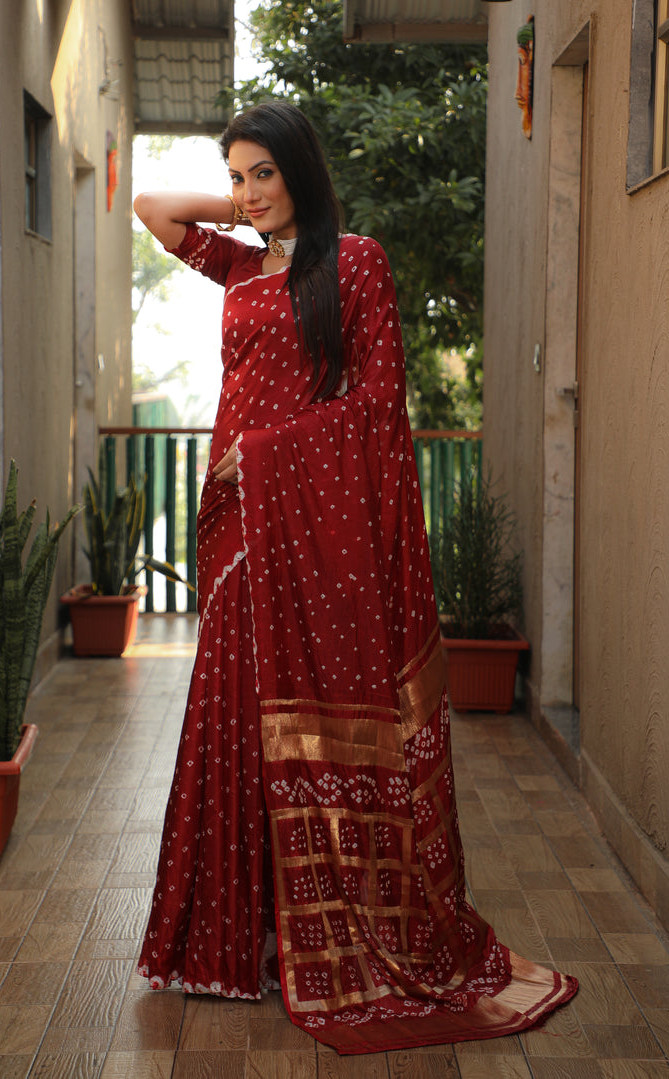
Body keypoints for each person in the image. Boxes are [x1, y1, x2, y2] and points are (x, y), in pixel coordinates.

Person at [134, 101, 577, 1055]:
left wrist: (264, 454)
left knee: (302, 725)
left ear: (302, 167)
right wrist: (248, 204)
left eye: (264, 172)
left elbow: (379, 405)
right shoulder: (242, 263)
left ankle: (334, 933)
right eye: (239, 175)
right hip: (238, 537)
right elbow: (150, 204)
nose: (247, 192)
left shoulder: (357, 262)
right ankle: (231, 939)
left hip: (300, 528)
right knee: (232, 716)